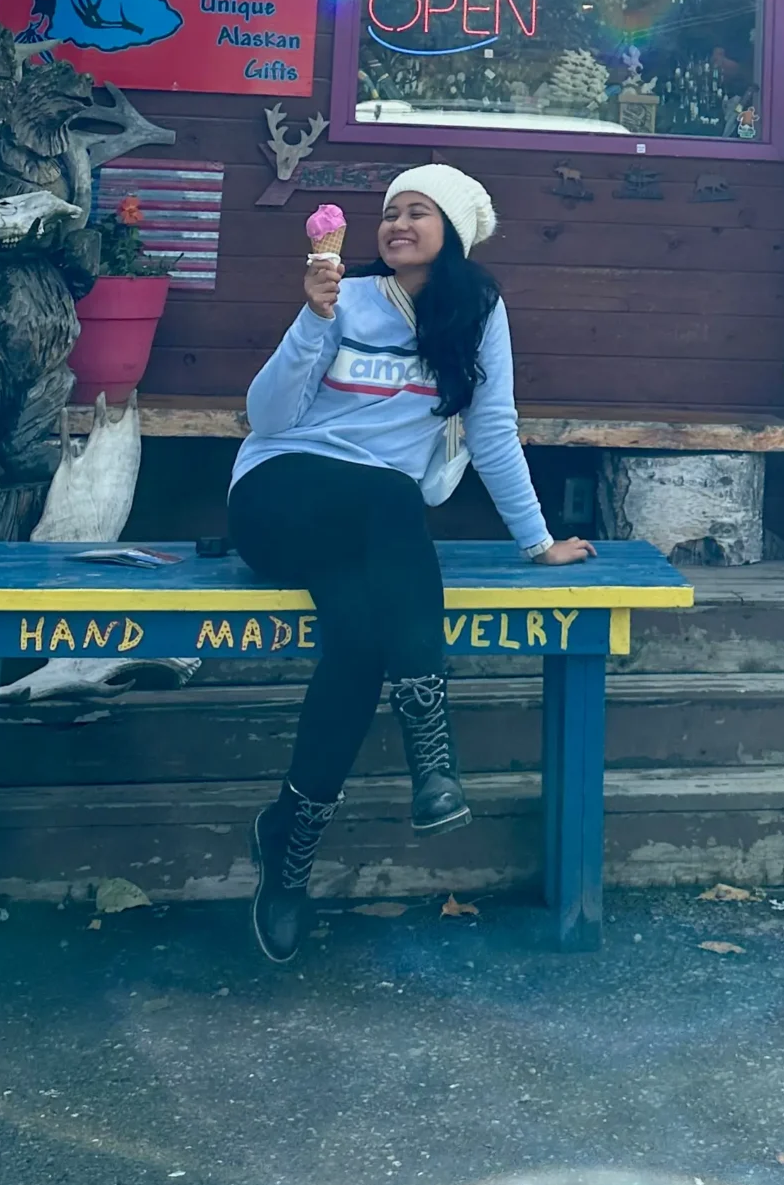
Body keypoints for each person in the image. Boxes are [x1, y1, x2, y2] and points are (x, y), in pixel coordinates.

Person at [229, 164, 593, 963]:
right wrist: (309, 321)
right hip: (278, 496)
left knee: (358, 640)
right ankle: (431, 744)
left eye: (417, 212)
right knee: (394, 498)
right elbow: (265, 417)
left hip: (363, 534)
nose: (395, 224)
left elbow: (492, 431)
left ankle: (289, 843)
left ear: (453, 231)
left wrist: (537, 542)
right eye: (389, 212)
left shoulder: (477, 312)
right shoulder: (343, 296)